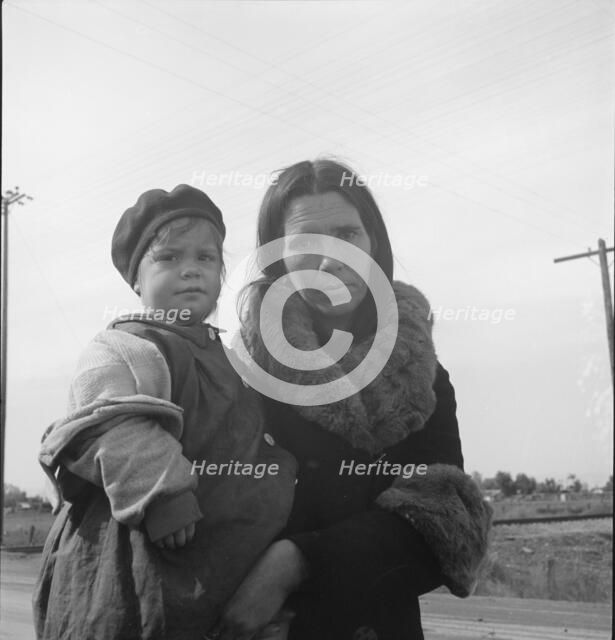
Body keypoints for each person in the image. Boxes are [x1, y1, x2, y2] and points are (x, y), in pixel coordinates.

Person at [213, 159, 493, 640]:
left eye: (347, 234)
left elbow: (441, 527)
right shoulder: (238, 373)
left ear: (374, 245)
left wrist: (296, 561)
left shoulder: (422, 375)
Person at [32, 185, 297, 640]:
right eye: (169, 258)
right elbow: (106, 423)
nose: (190, 270)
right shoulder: (127, 345)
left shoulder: (231, 357)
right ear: (136, 279)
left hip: (214, 562)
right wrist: (161, 491)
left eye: (206, 258)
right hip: (141, 552)